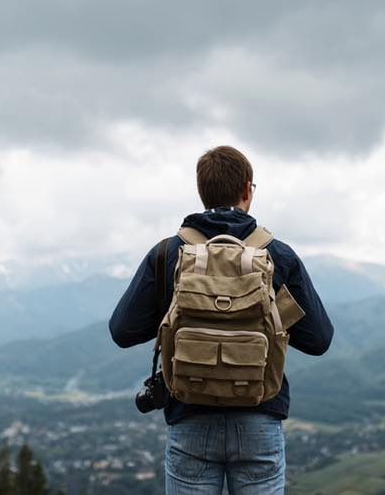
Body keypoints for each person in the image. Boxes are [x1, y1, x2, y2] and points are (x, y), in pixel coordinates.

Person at [109, 145, 334, 494]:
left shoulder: (168, 254)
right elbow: (319, 340)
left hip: (190, 417)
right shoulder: (276, 254)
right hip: (259, 416)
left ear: (202, 193)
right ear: (247, 190)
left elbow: (122, 331)